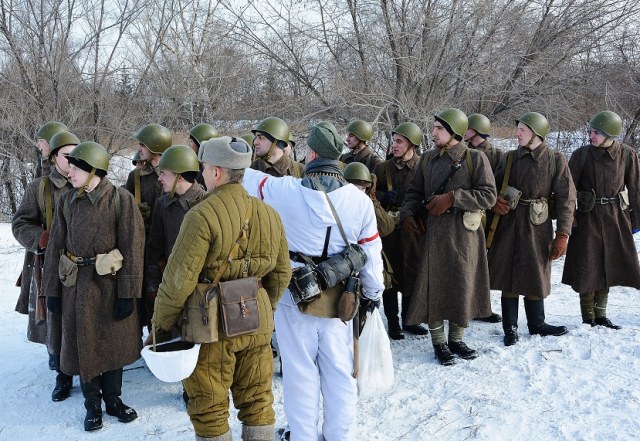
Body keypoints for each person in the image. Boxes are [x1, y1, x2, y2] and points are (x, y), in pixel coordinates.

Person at [244, 121, 385, 440]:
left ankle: (303, 435)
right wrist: (373, 293)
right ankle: (339, 435)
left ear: (311, 154)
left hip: (294, 295)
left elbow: (249, 179)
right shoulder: (359, 201)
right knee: (340, 372)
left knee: (299, 373)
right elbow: (370, 253)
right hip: (341, 297)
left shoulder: (284, 191)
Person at [152, 136, 291, 441]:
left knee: (209, 407)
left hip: (210, 326)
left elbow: (178, 280)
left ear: (216, 172)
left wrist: (160, 325)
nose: (202, 174)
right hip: (256, 320)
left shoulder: (200, 215)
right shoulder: (269, 213)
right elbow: (282, 272)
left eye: (204, 168)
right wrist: (262, 306)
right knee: (258, 401)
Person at [42, 141, 144, 431]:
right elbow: (55, 248)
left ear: (93, 170)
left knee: (113, 344)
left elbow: (133, 248)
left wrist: (127, 294)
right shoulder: (67, 201)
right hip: (77, 287)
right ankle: (92, 404)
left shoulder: (121, 200)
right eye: (71, 168)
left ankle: (113, 400)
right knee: (84, 345)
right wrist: (51, 291)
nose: (70, 173)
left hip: (111, 284)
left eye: (76, 168)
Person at [400, 108, 497, 365]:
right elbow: (414, 192)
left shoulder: (475, 158)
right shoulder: (427, 159)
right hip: (434, 235)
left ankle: (456, 340)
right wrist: (407, 214)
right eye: (434, 128)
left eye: (439, 129)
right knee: (434, 287)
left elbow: (489, 196)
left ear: (454, 131)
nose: (433, 133)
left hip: (465, 235)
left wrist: (454, 198)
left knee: (461, 285)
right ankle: (439, 343)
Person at [487, 112, 576, 346]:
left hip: (538, 225)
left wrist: (563, 234)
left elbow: (566, 199)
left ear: (536, 133)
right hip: (509, 224)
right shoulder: (509, 158)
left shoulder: (555, 159)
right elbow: (490, 187)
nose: (517, 134)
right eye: (518, 129)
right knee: (509, 273)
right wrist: (494, 201)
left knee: (535, 271)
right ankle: (510, 328)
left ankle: (537, 324)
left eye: (523, 130)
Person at [12, 130, 77, 400]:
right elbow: (20, 223)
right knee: (55, 319)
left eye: (76, 155)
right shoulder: (38, 188)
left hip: (80, 264)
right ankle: (62, 374)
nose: (72, 161)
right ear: (53, 158)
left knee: (80, 318)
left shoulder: (87, 182)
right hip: (49, 263)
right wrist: (40, 238)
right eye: (67, 156)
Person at [562, 111, 640, 329]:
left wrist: (636, 221)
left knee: (609, 265)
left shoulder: (627, 155)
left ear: (610, 134)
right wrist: (569, 221)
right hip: (587, 218)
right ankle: (588, 317)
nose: (591, 136)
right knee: (588, 266)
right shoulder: (581, 155)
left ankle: (601, 315)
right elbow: (568, 191)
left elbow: (636, 188)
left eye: (596, 132)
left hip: (616, 218)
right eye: (591, 131)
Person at [373, 122, 428, 339]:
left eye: (399, 141)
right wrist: (382, 197)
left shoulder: (422, 167)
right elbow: (368, 194)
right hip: (389, 231)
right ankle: (393, 322)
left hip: (413, 228)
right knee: (390, 276)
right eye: (393, 141)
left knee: (411, 273)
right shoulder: (382, 168)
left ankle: (409, 319)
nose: (394, 145)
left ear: (412, 145)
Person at [145, 145, 206, 340]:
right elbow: (154, 250)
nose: (159, 178)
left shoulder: (207, 203)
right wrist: (152, 285)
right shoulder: (162, 204)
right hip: (171, 290)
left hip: (202, 292)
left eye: (164, 173)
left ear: (179, 176)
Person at [123, 123, 172, 330]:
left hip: (169, 247)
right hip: (144, 247)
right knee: (145, 302)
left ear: (155, 146)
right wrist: (135, 212)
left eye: (143, 144)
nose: (139, 148)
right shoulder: (136, 177)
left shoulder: (176, 172)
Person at [464, 113, 503, 324]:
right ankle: (465, 306)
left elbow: (502, 184)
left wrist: (496, 201)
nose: (464, 131)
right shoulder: (462, 152)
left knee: (483, 264)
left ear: (477, 130)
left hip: (490, 217)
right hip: (467, 212)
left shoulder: (497, 155)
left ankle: (481, 308)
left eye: (468, 128)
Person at [188, 123, 220, 187]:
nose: (189, 145)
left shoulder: (210, 168)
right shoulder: (194, 163)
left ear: (200, 144)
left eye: (191, 141)